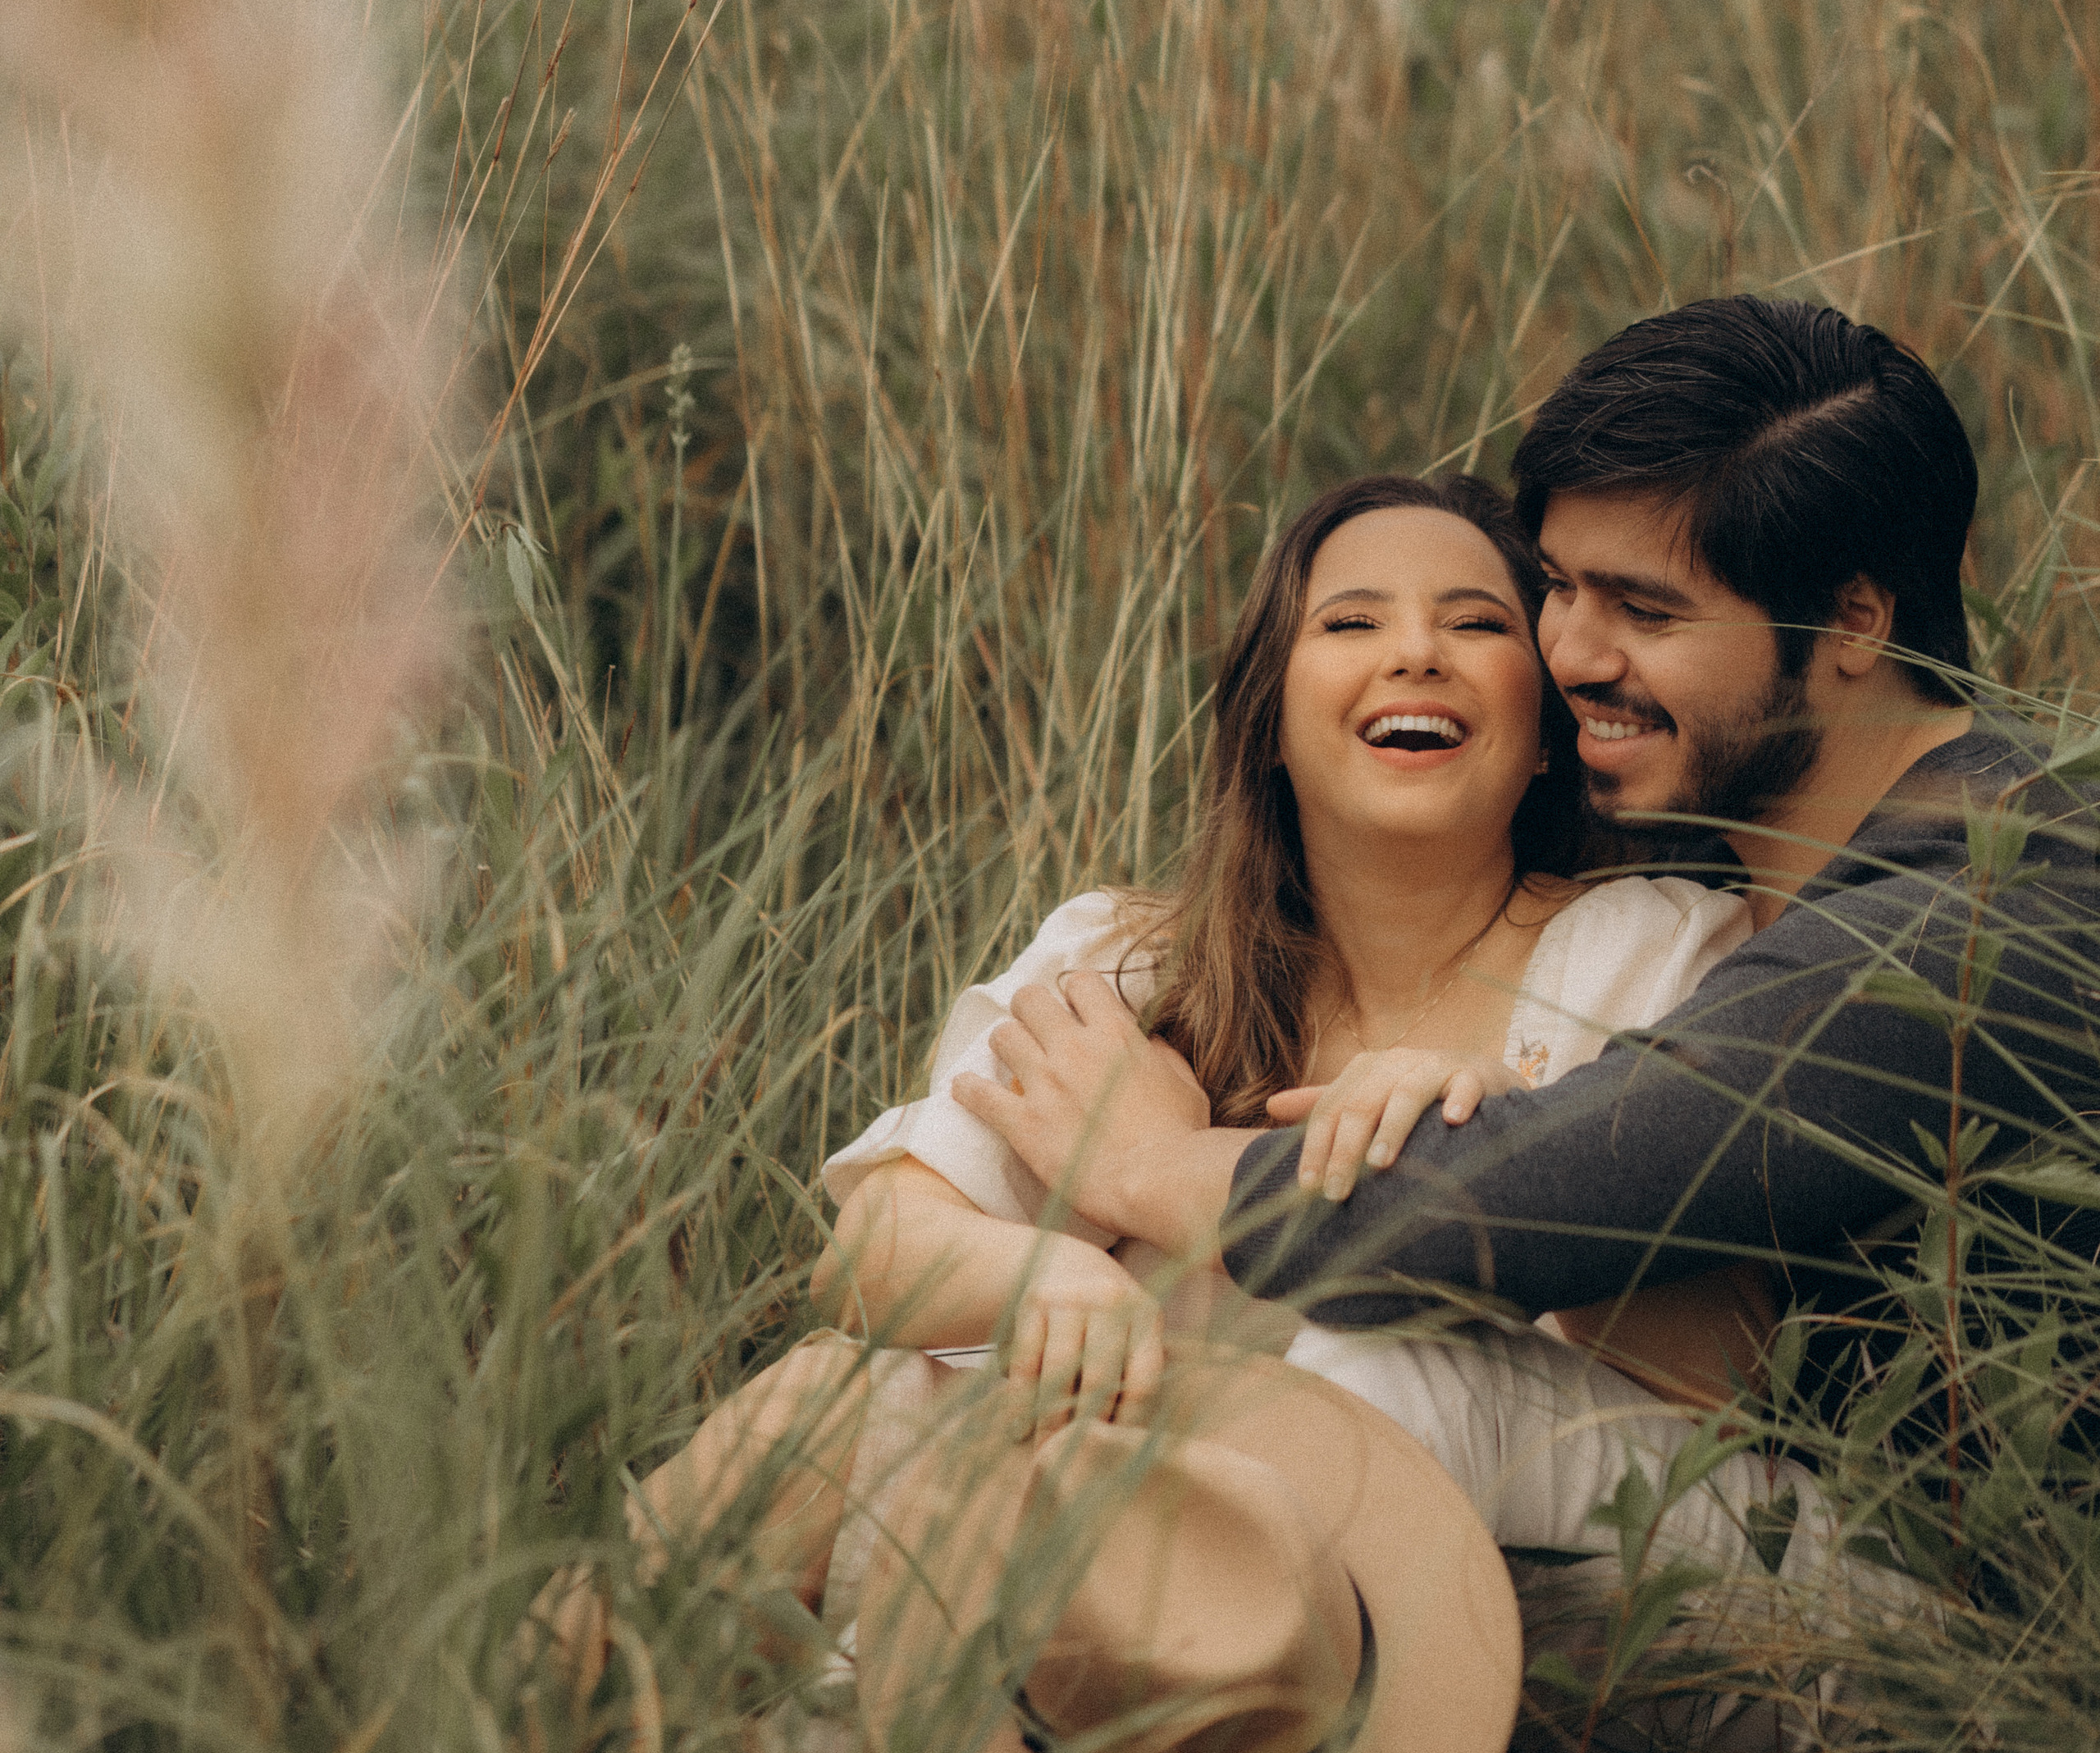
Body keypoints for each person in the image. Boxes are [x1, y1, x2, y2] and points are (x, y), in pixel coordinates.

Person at [956, 298, 2100, 1533]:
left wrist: (1138, 1162)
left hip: (1971, 1630)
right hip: (1755, 1544)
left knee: (1403, 1369)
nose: (1571, 655)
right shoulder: (1762, 866)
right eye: (1557, 589)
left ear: (1853, 622)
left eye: (1645, 613)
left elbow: (1485, 1214)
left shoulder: (1990, 905)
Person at [619, 468, 1788, 1657]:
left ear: (1544, 734)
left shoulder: (1657, 948)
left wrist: (1481, 1164)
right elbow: (874, 1255)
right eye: (1351, 622)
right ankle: (559, 1752)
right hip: (1137, 1548)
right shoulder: (1128, 962)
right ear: (1270, 723)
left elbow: (1705, 1378)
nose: (1417, 653)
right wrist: (1048, 1281)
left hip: (1509, 1569)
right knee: (834, 1399)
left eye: (1477, 624)